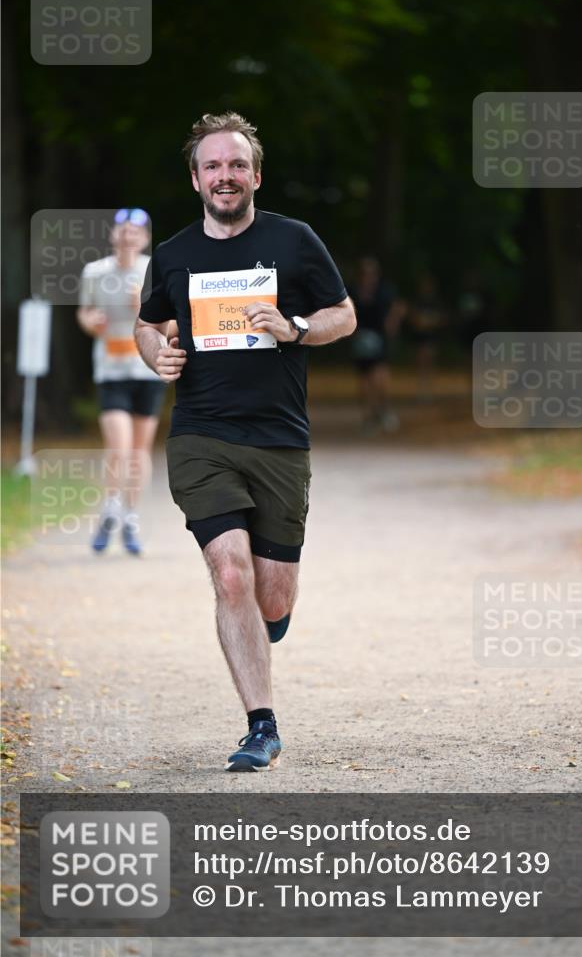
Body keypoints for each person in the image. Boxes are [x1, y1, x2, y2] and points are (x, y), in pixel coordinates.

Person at [135, 112, 356, 772]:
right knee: (229, 571)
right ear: (195, 179)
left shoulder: (294, 240)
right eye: (212, 166)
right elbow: (148, 324)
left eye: (236, 165)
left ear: (256, 175)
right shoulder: (173, 254)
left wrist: (295, 328)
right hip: (201, 434)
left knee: (271, 596)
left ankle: (267, 620)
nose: (224, 176)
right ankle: (262, 726)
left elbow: (343, 315)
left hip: (279, 439)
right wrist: (156, 355)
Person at [77, 209, 166, 556]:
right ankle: (110, 506)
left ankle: (130, 516)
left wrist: (144, 307)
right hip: (111, 370)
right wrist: (91, 322)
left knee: (140, 451)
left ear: (145, 239)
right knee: (119, 447)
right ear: (114, 235)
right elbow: (84, 312)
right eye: (123, 230)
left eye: (135, 232)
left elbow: (171, 321)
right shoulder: (95, 272)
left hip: (146, 369)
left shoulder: (155, 271)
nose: (128, 236)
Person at [348, 256, 404, 434]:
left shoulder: (384, 290)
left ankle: (384, 410)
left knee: (381, 377)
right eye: (365, 273)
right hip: (361, 339)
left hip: (380, 337)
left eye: (371, 273)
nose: (368, 277)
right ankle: (368, 416)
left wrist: (392, 323)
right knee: (365, 379)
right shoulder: (353, 291)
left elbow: (398, 307)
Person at [406, 271, 448, 402]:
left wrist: (429, 322)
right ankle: (422, 388)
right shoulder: (418, 301)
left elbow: (443, 319)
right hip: (420, 338)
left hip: (432, 337)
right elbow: (413, 318)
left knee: (430, 362)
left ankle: (430, 389)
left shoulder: (436, 302)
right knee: (420, 363)